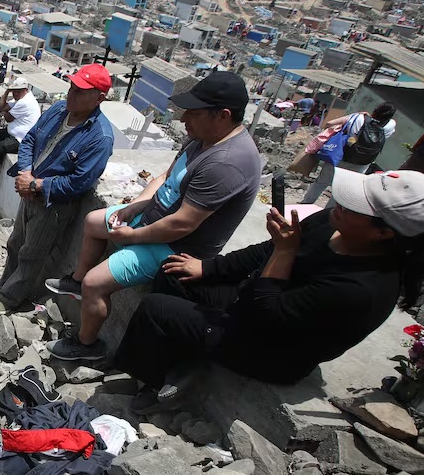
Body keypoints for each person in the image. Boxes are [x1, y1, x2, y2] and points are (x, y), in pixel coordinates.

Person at [117, 170, 424, 410]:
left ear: (383, 234)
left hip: (271, 348)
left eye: (355, 207)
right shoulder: (333, 222)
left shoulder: (364, 288)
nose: (340, 205)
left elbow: (264, 316)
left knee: (156, 309)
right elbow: (265, 251)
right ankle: (188, 352)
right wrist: (207, 268)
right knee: (176, 270)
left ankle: (155, 383)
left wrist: (285, 252)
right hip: (253, 303)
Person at [45, 71, 263, 362]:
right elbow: (165, 176)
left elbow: (182, 223)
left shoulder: (227, 163)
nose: (184, 119)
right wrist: (135, 205)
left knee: (95, 283)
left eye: (193, 113)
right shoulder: (203, 137)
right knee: (93, 222)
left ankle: (87, 346)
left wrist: (132, 236)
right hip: (152, 217)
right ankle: (77, 280)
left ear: (222, 115)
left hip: (176, 245)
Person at [0, 66, 115, 315]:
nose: (71, 94)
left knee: (32, 253)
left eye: (80, 91)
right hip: (28, 190)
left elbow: (79, 181)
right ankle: (5, 286)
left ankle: (11, 298)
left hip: (53, 204)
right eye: (72, 88)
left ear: (99, 98)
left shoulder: (99, 137)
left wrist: (36, 185)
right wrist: (25, 173)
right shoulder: (58, 110)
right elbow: (30, 139)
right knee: (16, 243)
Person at [301, 103, 395, 204]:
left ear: (375, 110)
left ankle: (306, 203)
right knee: (342, 189)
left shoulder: (358, 117)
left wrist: (357, 115)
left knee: (322, 181)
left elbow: (329, 123)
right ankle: (328, 213)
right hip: (362, 163)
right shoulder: (391, 125)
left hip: (342, 156)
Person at [0, 78, 41, 193]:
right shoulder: (21, 99)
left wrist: (6, 111)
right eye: (13, 91)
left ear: (25, 90)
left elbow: (7, 118)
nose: (15, 94)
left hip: (19, 139)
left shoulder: (25, 102)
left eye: (18, 91)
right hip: (10, 132)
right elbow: (1, 107)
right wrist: (6, 92)